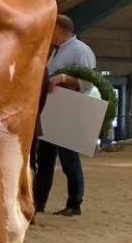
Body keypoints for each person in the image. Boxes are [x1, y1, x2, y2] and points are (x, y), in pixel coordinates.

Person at [33, 14, 96, 218]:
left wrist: (61, 78)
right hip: (53, 110)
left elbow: (87, 82)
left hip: (70, 109)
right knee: (44, 160)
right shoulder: (56, 52)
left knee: (69, 161)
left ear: (59, 29)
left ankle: (74, 203)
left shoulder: (80, 51)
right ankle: (38, 201)